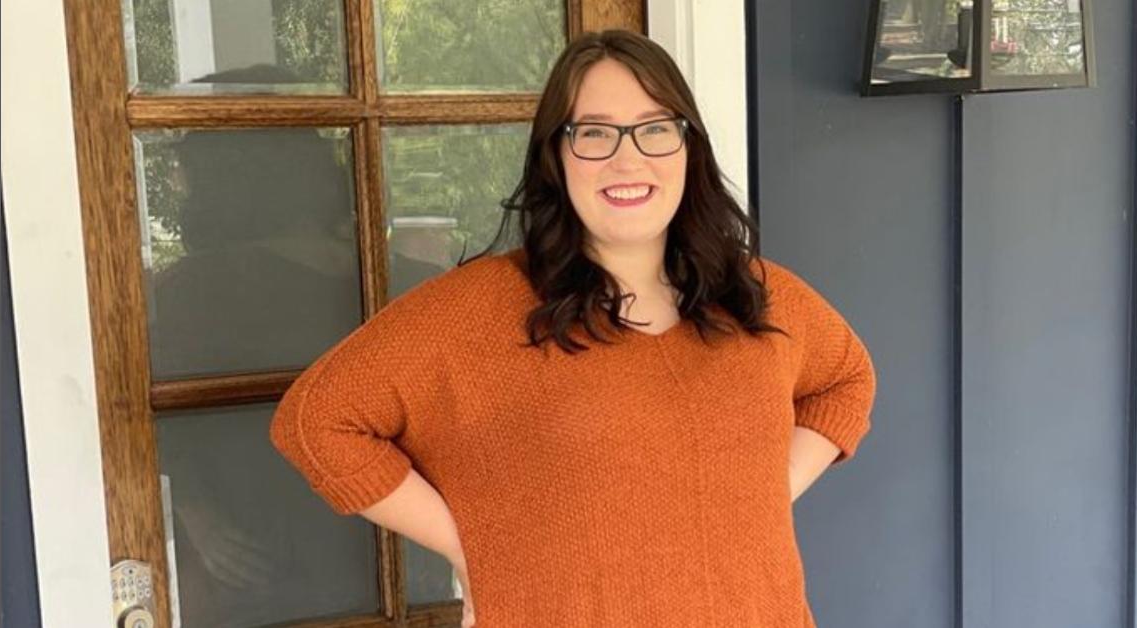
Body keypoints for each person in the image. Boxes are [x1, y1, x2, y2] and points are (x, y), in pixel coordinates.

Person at [270, 29, 876, 627]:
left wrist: (760, 497)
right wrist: (468, 543)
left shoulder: (755, 295)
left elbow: (847, 380)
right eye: (594, 133)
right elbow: (316, 421)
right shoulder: (477, 310)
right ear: (555, 156)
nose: (627, 157)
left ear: (689, 148)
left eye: (655, 128)